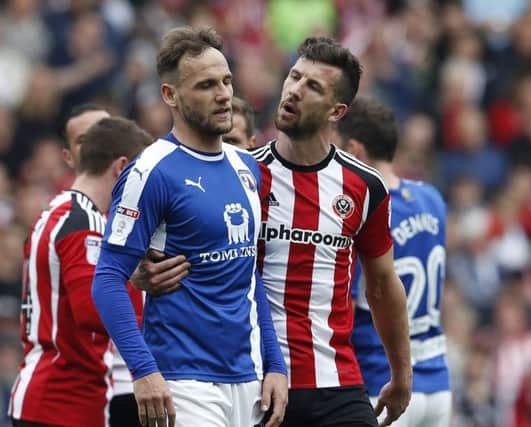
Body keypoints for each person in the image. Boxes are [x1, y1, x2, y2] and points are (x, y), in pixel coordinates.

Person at [136, 36, 412, 427]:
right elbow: (154, 246)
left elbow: (383, 285)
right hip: (257, 381)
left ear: (337, 110)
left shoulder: (364, 186)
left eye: (312, 86)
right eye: (294, 76)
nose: (295, 90)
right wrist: (138, 272)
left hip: (337, 381)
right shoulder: (243, 175)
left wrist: (402, 375)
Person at [91, 26, 288, 427]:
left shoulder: (247, 168)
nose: (223, 95)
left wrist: (275, 363)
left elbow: (248, 277)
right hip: (183, 380)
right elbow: (108, 278)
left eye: (227, 81)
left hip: (247, 379)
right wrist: (144, 371)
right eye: (206, 85)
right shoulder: (151, 171)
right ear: (170, 96)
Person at [9, 117, 152, 427]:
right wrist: (150, 303)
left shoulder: (57, 210)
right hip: (63, 402)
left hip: (52, 396)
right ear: (121, 167)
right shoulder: (84, 222)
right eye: (141, 177)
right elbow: (93, 310)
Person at [338, 98, 452, 426]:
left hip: (383, 383)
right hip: (438, 383)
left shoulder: (367, 210)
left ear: (354, 149)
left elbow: (356, 297)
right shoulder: (431, 199)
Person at [61, 104, 149, 427]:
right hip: (97, 386)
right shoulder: (75, 222)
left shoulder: (140, 212)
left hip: (136, 380)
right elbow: (87, 309)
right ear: (71, 156)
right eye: (86, 139)